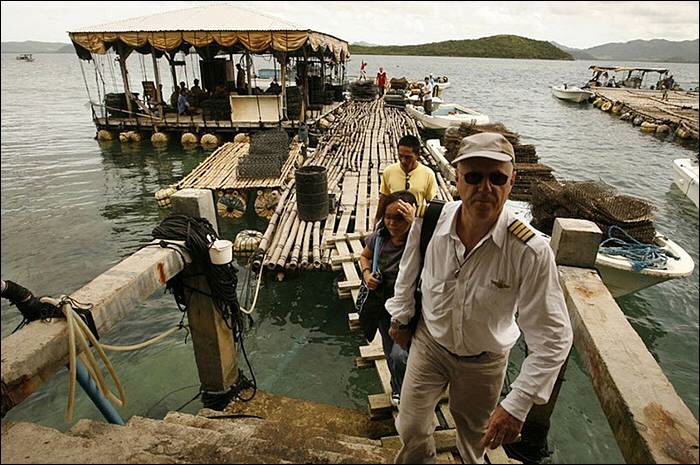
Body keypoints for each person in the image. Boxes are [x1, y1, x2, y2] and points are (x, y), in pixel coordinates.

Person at [386, 132, 573, 464]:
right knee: (411, 425)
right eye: (473, 176)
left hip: (484, 361)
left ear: (511, 182)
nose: (485, 187)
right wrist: (400, 318)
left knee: (475, 437)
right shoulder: (429, 222)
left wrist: (517, 405)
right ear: (456, 178)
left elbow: (554, 337)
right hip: (430, 344)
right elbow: (408, 274)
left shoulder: (530, 251)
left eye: (496, 178)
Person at [359, 190, 417, 407]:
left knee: (401, 354)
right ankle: (398, 388)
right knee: (390, 351)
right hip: (384, 305)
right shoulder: (379, 238)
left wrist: (416, 224)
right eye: (388, 217)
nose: (392, 223)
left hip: (412, 307)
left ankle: (412, 387)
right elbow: (364, 255)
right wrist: (366, 275)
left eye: (399, 218)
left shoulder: (419, 241)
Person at [375, 134, 437, 227]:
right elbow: (384, 198)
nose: (403, 160)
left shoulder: (428, 174)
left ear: (417, 155)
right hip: (393, 223)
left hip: (414, 223)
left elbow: (431, 203)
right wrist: (377, 220)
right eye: (400, 156)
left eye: (408, 157)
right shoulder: (389, 171)